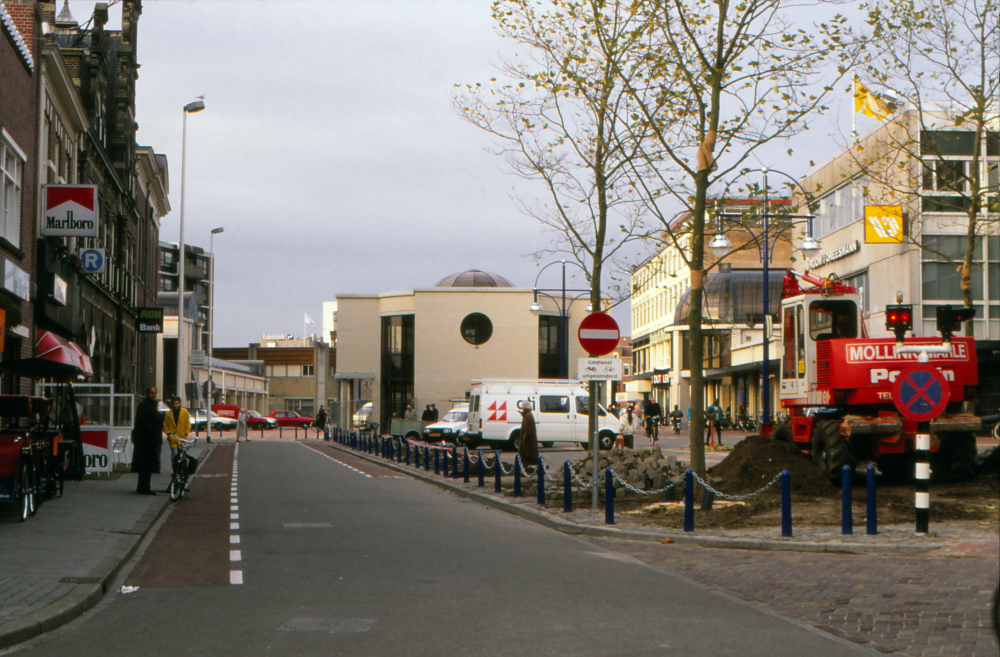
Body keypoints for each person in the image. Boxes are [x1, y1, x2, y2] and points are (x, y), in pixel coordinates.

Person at [132, 387, 163, 495]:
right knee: (144, 465)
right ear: (147, 394)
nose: (154, 394)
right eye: (152, 393)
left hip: (151, 440)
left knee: (148, 465)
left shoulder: (154, 406)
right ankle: (143, 487)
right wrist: (153, 429)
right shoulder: (143, 406)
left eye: (155, 393)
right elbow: (142, 422)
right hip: (144, 441)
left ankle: (145, 486)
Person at [163, 397, 192, 474]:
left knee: (181, 454)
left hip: (182, 437)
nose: (175, 405)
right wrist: (168, 433)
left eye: (176, 403)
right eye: (174, 403)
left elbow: (188, 424)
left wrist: (186, 432)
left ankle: (181, 469)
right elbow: (165, 425)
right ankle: (175, 469)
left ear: (179, 404)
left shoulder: (184, 412)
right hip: (173, 437)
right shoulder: (168, 414)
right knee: (174, 454)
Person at [516, 401, 539, 466]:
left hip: (528, 443)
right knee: (527, 457)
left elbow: (528, 430)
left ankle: (528, 470)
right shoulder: (527, 415)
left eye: (523, 407)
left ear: (525, 408)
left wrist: (524, 439)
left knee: (528, 457)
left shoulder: (528, 416)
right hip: (527, 442)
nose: (522, 409)